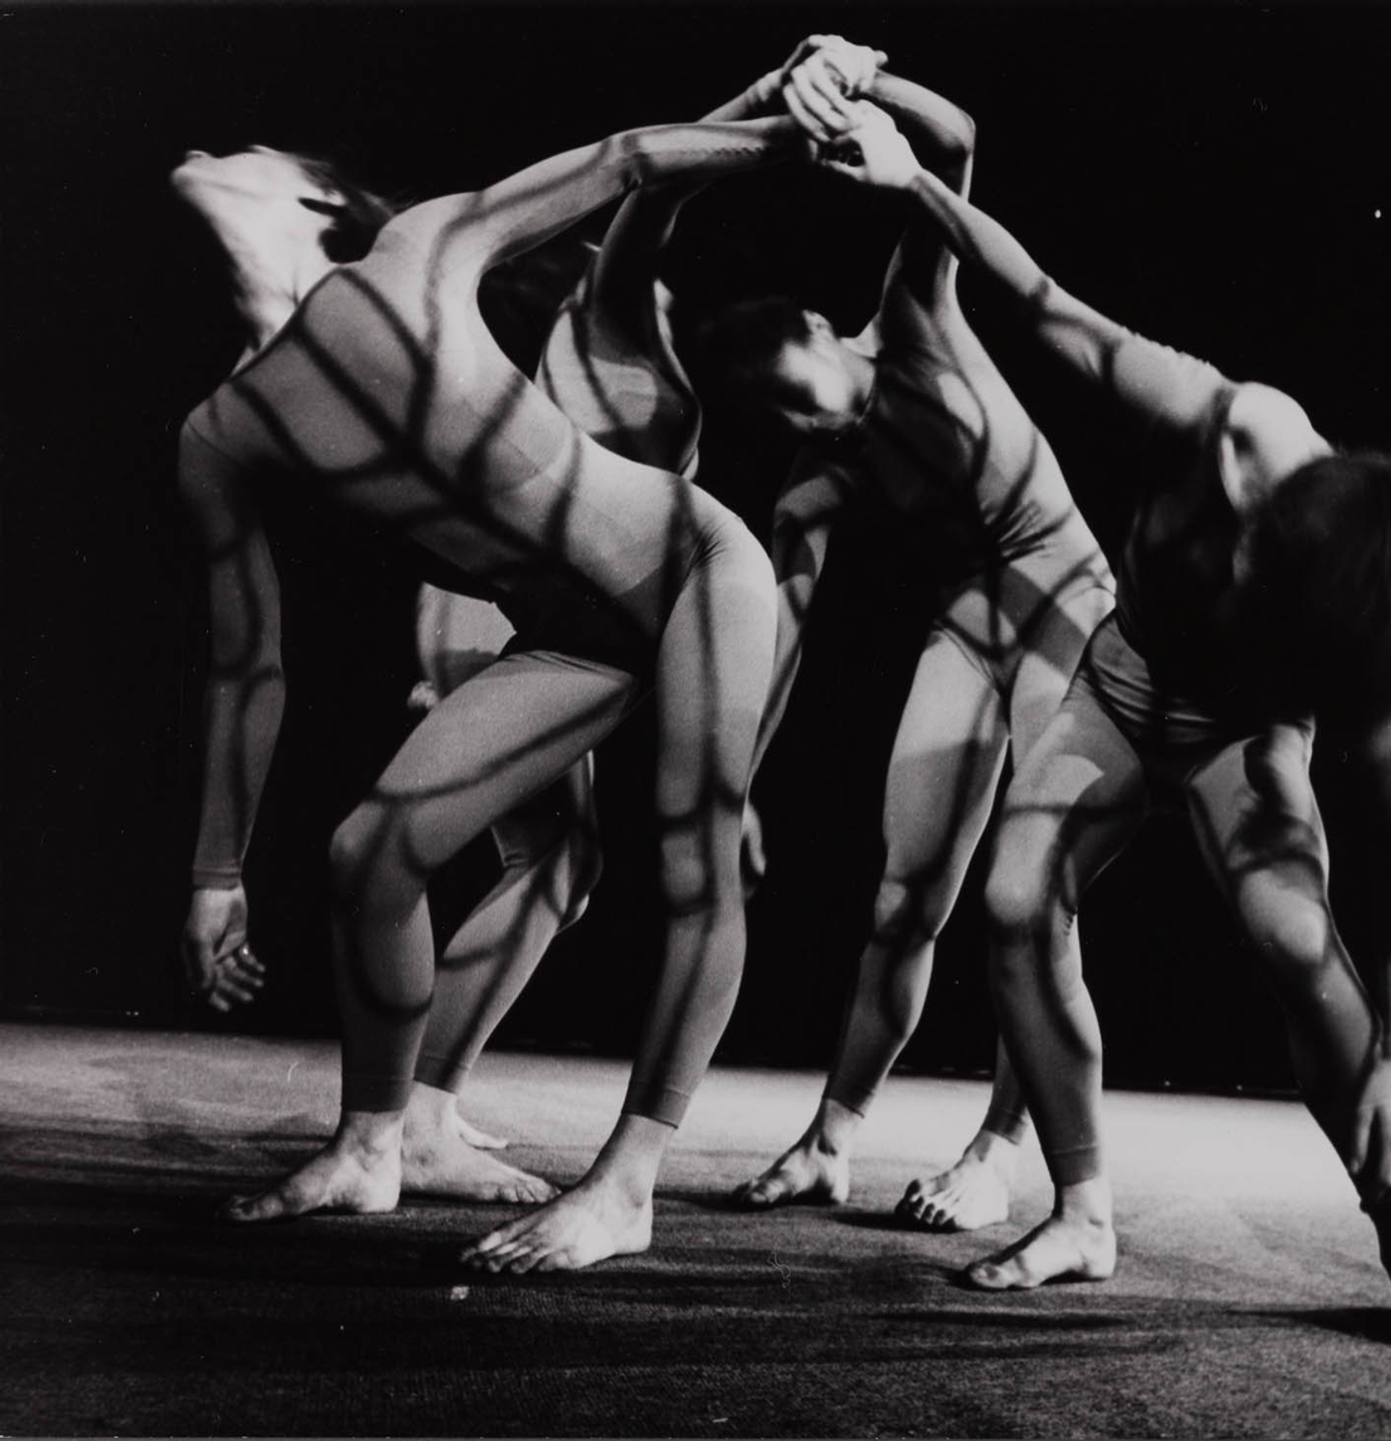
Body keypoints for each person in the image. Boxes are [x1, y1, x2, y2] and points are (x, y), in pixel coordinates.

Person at [812, 103, 1391, 1353]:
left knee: (1295, 939)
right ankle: (1081, 1212)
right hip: (1121, 685)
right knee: (1014, 899)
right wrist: (915, 180)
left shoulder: (1377, 637)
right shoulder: (1226, 423)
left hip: (1243, 736)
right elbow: (1041, 305)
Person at [173, 98, 814, 1270]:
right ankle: (375, 1145)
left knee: (691, 864)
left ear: (311, 198)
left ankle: (625, 1187)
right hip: (570, 633)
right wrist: (217, 874)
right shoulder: (223, 434)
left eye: (235, 149)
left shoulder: (414, 251)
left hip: (690, 564)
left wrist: (791, 131)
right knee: (370, 856)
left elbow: (631, 161)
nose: (202, 154)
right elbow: (246, 664)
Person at [377, 39, 874, 1177]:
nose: (819, 425)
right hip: (495, 611)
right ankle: (414, 1112)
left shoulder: (677, 388)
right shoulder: (618, 317)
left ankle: (418, 1104)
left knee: (556, 865)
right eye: (817, 405)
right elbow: (652, 185)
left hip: (513, 613)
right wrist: (769, 104)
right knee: (552, 864)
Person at [689, 54, 1117, 1233]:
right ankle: (832, 1139)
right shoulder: (816, 475)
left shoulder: (915, 316)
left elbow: (960, 137)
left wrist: (864, 72)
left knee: (1032, 902)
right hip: (969, 625)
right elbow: (781, 631)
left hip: (1067, 596)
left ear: (825, 331)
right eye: (785, 418)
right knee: (902, 898)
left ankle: (1001, 1149)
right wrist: (737, 785)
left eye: (809, 392)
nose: (812, 423)